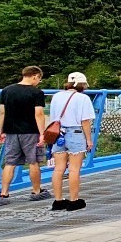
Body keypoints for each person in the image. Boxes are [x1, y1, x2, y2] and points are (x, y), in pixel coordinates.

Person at [0, 66, 50, 205]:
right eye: (39, 79)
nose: (38, 82)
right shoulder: (36, 93)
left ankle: (3, 194)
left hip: (11, 131)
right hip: (30, 131)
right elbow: (39, 114)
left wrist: (0, 131)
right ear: (35, 76)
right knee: (33, 161)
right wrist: (42, 134)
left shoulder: (6, 90)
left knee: (10, 162)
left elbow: (2, 113)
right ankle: (36, 191)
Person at [49, 72, 96, 211]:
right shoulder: (83, 98)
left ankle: (58, 201)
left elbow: (52, 117)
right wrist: (89, 139)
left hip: (58, 134)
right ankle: (74, 201)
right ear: (82, 84)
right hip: (75, 133)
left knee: (58, 169)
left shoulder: (56, 96)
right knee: (74, 169)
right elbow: (85, 121)